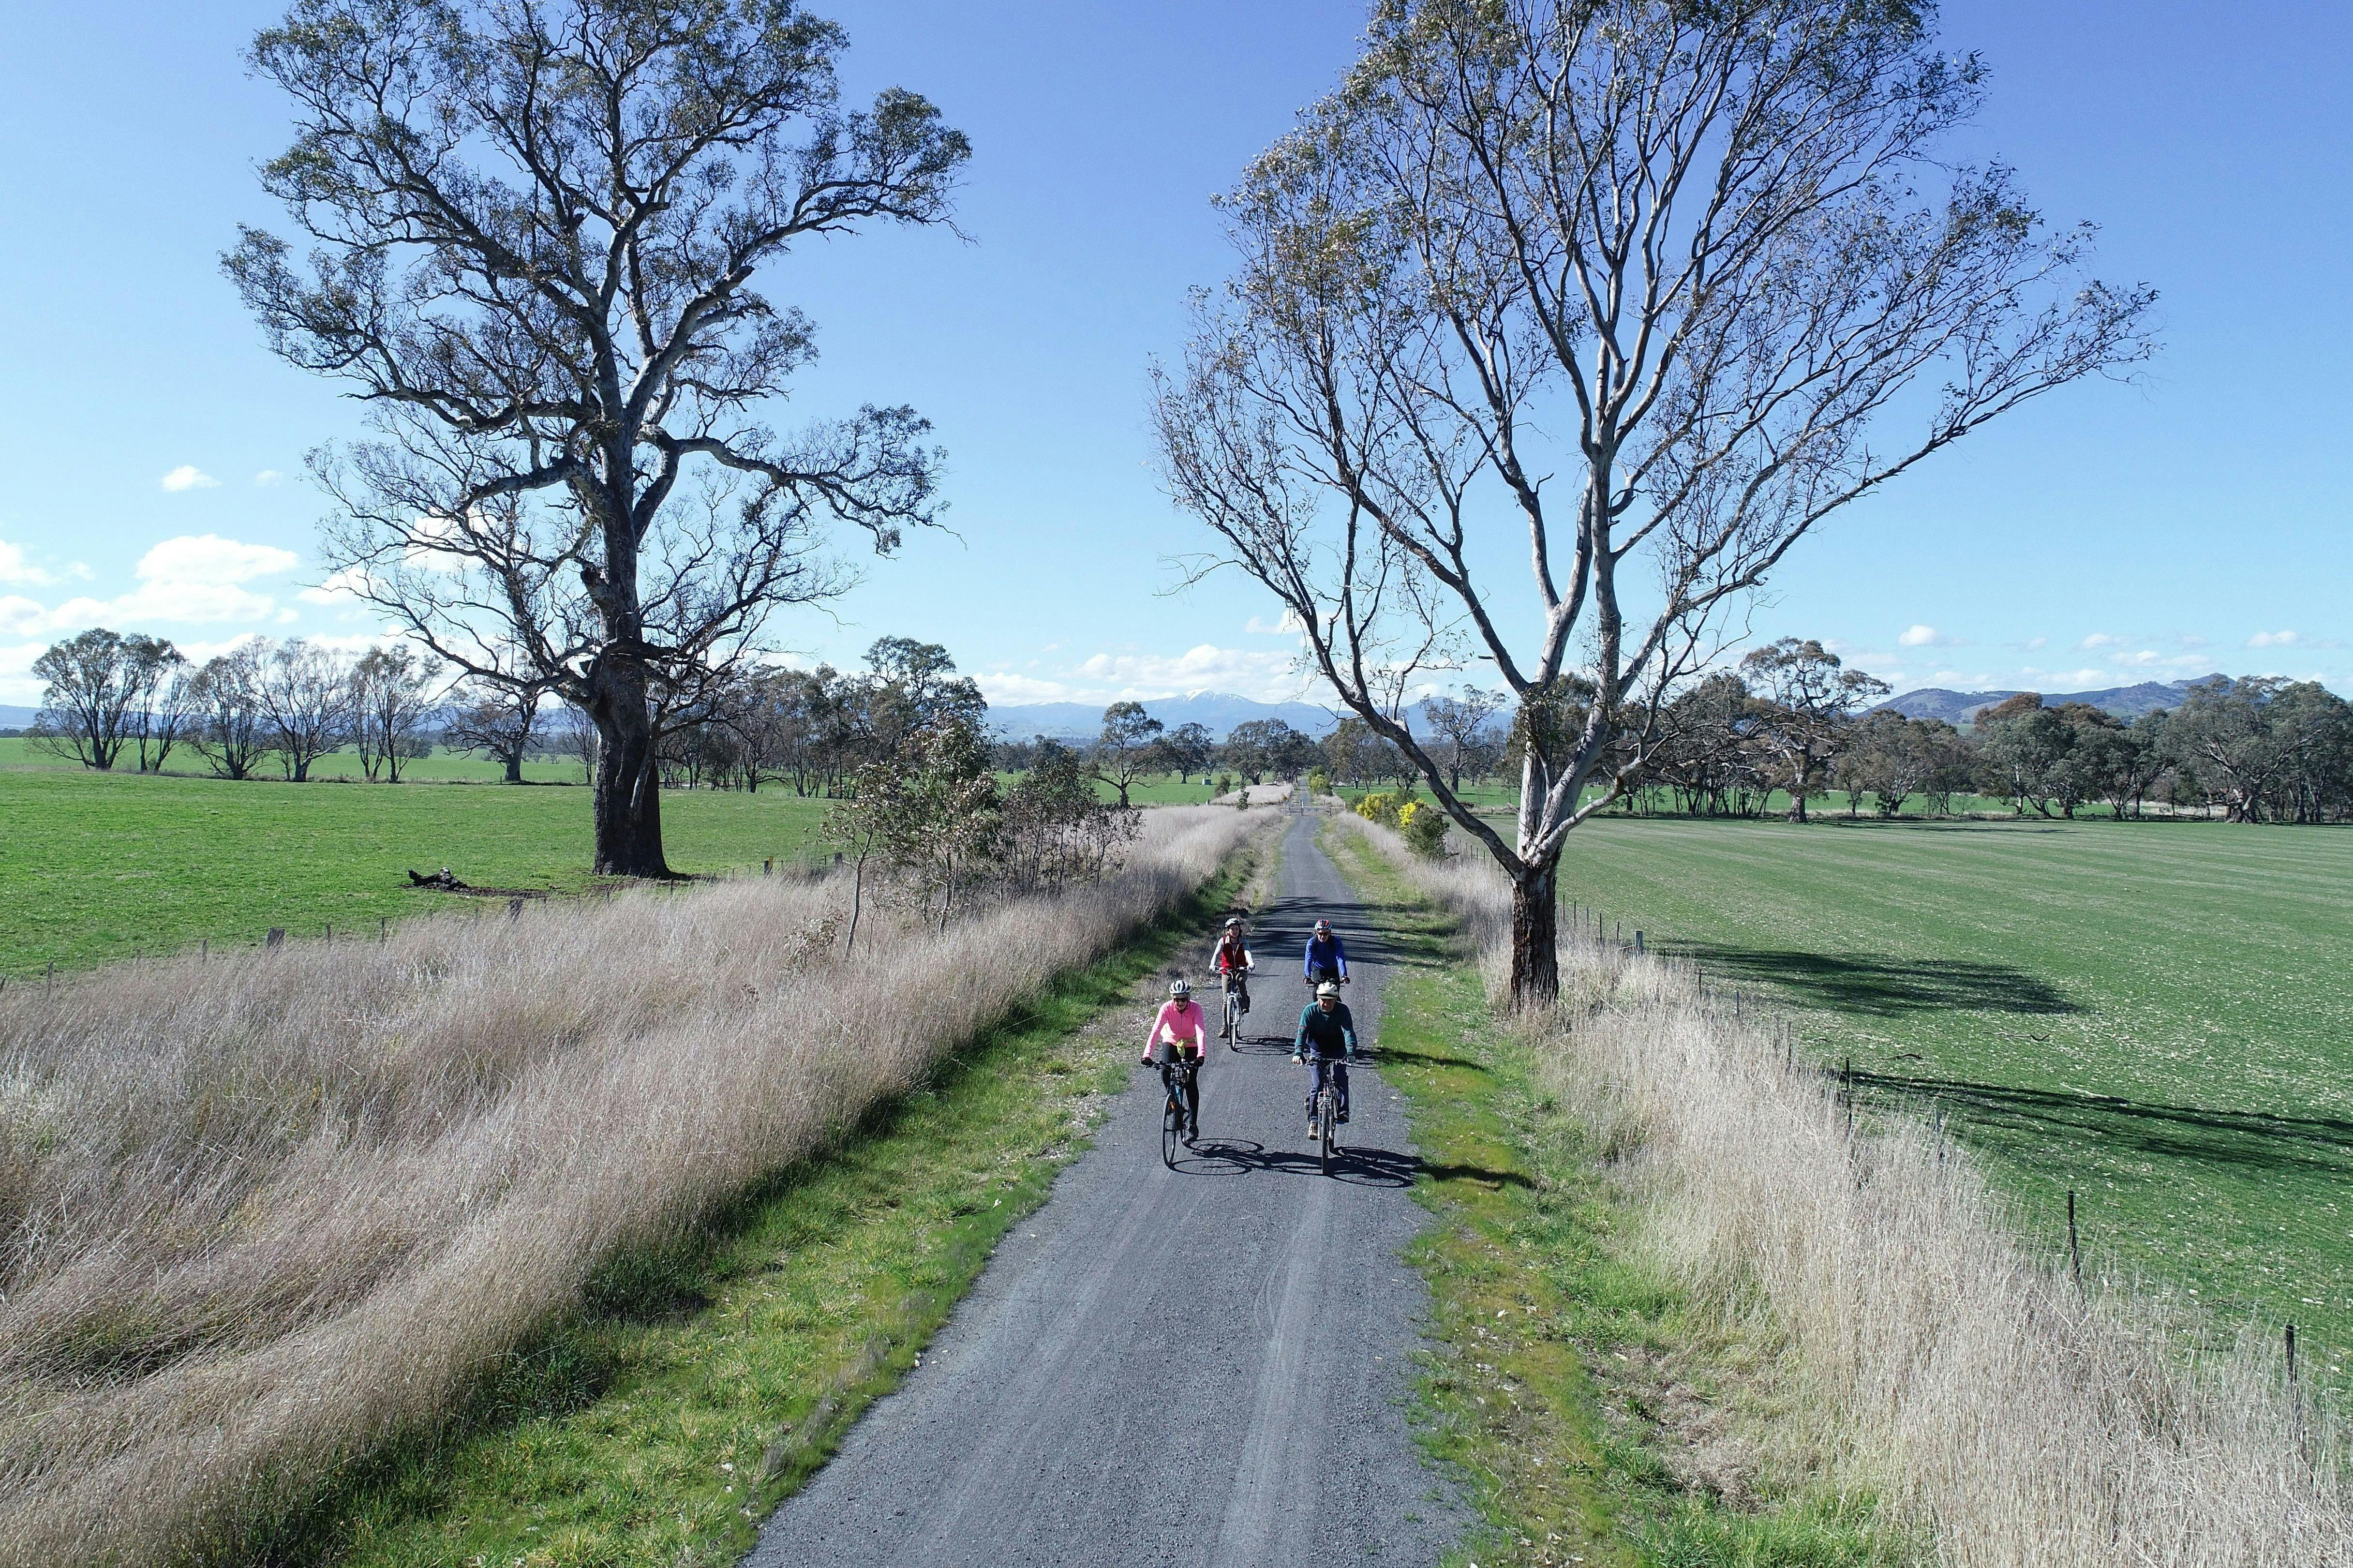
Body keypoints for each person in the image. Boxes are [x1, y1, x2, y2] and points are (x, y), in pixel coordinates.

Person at [1141, 976, 1208, 1140]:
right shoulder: (1166, 1008)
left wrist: (1201, 1055)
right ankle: (1175, 1104)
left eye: (1184, 999)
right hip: (1171, 1041)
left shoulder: (1196, 1009)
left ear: (1189, 998)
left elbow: (1200, 1031)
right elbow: (1156, 1030)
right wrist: (1147, 1055)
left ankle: (1193, 1125)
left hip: (1191, 1043)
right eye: (1177, 999)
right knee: (1165, 1072)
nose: (1180, 1003)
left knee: (1190, 1083)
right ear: (1172, 998)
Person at [1293, 980, 1358, 1136]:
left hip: (1338, 1050)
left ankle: (1343, 1110)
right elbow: (1302, 1033)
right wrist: (1298, 1053)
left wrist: (1350, 1053)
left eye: (1330, 1001)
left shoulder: (1343, 1011)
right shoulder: (1310, 1011)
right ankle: (1314, 1121)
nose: (1326, 1004)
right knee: (1317, 1084)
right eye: (1323, 1000)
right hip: (1318, 1050)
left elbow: (1349, 1032)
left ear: (1336, 999)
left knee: (1340, 1077)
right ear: (1318, 998)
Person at [1213, 916, 1254, 1020]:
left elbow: (1247, 953)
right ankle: (1225, 1025)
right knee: (1226, 999)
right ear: (1228, 931)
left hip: (1241, 969)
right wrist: (1212, 964)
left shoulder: (1243, 942)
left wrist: (1250, 963)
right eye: (1232, 929)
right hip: (1227, 971)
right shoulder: (1223, 941)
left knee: (1240, 980)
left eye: (1237, 929)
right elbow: (1217, 954)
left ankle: (1244, 1003)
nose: (1235, 931)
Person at [1303, 917, 1349, 988]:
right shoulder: (1312, 943)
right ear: (1316, 932)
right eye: (1320, 934)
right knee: (1318, 989)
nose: (1323, 937)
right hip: (1318, 969)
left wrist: (1344, 975)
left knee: (1335, 990)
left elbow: (1340, 959)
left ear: (1330, 933)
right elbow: (1308, 960)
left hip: (1333, 969)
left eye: (1325, 934)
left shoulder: (1336, 942)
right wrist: (1308, 976)